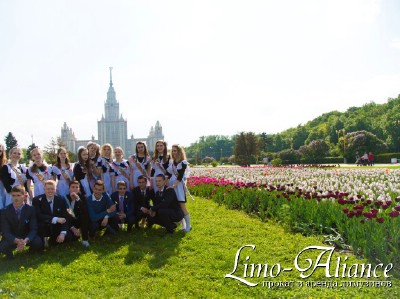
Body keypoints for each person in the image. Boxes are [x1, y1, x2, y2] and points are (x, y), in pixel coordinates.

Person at [0, 185, 43, 259]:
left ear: (24, 196)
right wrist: (16, 240)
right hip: (12, 237)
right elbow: (5, 231)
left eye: (18, 195)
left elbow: (34, 228)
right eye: (13, 195)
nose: (15, 198)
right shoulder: (4, 211)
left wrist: (26, 240)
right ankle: (10, 256)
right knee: (2, 246)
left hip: (25, 236)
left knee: (38, 242)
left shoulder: (31, 209)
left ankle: (31, 253)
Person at [32, 180, 75, 246]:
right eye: (48, 189)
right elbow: (38, 215)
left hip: (56, 226)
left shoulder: (61, 199)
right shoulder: (37, 200)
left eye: (52, 189)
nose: (50, 191)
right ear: (44, 189)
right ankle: (43, 240)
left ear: (55, 189)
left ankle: (52, 241)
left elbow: (65, 216)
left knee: (68, 237)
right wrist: (55, 219)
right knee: (39, 244)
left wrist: (62, 233)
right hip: (43, 226)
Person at [166, 144, 192, 232]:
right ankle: (183, 225)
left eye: (175, 150)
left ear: (180, 152)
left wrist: (173, 186)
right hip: (172, 184)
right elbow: (169, 174)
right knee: (176, 205)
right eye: (172, 150)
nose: (173, 152)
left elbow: (180, 176)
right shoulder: (172, 162)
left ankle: (188, 225)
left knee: (182, 205)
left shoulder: (183, 163)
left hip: (179, 186)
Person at [64, 181, 90, 247]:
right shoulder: (64, 198)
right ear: (69, 188)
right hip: (68, 222)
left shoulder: (82, 198)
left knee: (84, 216)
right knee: (71, 238)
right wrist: (72, 228)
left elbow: (85, 211)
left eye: (77, 187)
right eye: (73, 187)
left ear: (79, 189)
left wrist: (78, 199)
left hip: (78, 221)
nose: (75, 189)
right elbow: (63, 214)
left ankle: (85, 240)